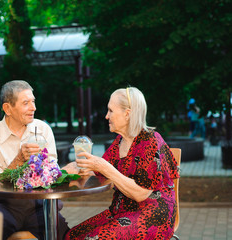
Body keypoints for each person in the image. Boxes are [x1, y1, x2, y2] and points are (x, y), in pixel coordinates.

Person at [64, 87, 180, 239]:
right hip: (121, 212)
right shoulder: (119, 142)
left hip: (154, 215)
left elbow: (140, 194)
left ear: (127, 114)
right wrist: (73, 169)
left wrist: (104, 167)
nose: (106, 116)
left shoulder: (150, 140)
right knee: (73, 235)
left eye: (111, 111)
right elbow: (98, 171)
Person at [0, 80, 69, 240]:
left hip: (38, 204)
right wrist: (19, 160)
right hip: (3, 203)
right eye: (26, 103)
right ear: (7, 108)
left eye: (33, 101)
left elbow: (53, 171)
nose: (33, 108)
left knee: (62, 232)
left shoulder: (43, 130)